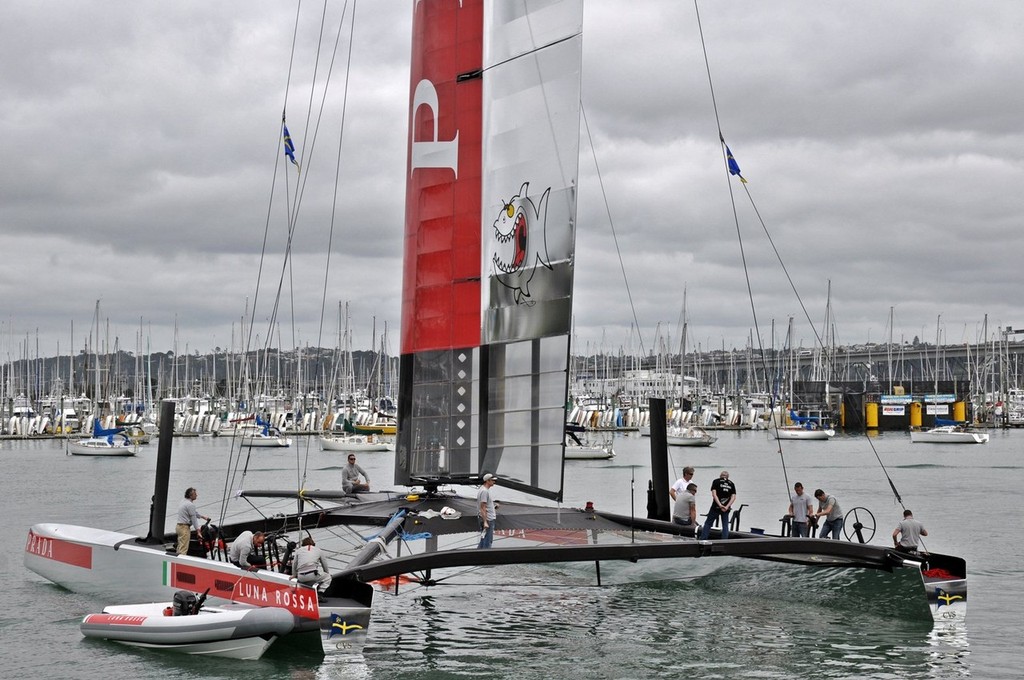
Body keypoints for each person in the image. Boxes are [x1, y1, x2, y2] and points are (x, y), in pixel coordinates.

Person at [291, 536, 332, 602]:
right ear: (313, 544)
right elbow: (324, 564)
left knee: (309, 576)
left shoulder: (298, 551)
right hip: (312, 575)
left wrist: (294, 575)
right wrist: (327, 573)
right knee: (327, 578)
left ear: (303, 544)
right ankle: (319, 595)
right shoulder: (318, 550)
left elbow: (294, 564)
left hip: (301, 576)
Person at [700, 471, 736, 540]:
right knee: (725, 525)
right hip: (726, 509)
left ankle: (703, 539)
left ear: (720, 476)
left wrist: (719, 505)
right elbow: (733, 497)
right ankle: (724, 541)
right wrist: (727, 506)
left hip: (715, 507)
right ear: (728, 477)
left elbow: (714, 494)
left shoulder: (716, 481)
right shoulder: (731, 484)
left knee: (708, 523)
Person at [175, 487, 210, 556]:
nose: (196, 495)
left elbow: (194, 513)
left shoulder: (183, 501)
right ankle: (181, 563)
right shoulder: (190, 505)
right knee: (183, 549)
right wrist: (198, 531)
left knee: (180, 546)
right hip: (184, 528)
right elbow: (194, 519)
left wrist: (203, 517)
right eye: (195, 494)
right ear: (191, 495)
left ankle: (176, 560)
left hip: (179, 527)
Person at [477, 473, 498, 548]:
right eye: (492, 480)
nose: (494, 482)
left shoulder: (483, 490)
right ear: (487, 481)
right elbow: (482, 507)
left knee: (483, 539)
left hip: (486, 518)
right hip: (488, 519)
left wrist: (494, 506)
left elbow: (485, 505)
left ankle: (477, 556)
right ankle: (486, 557)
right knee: (488, 541)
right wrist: (485, 522)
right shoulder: (485, 491)